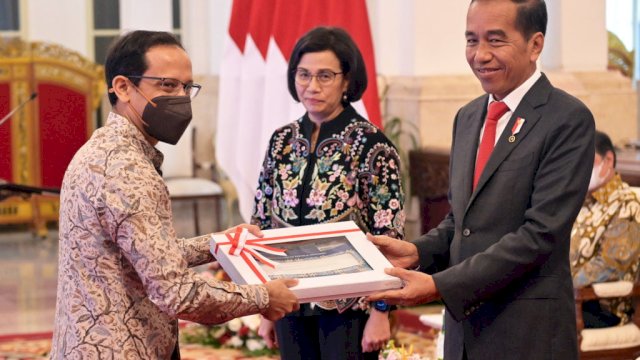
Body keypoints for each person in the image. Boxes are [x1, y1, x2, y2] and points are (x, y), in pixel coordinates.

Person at [50, 30, 299, 359]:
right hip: (122, 348)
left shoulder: (103, 149)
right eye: (167, 85)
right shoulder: (127, 170)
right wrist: (263, 298)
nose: (181, 97)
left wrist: (219, 244)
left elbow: (143, 254)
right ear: (123, 87)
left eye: (186, 87)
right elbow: (175, 292)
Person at [367, 1, 595, 359]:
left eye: (495, 41)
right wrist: (417, 251)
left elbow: (540, 235)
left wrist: (440, 285)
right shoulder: (469, 116)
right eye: (471, 40)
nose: (480, 55)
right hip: (464, 335)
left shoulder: (567, 120)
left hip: (528, 333)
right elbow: (462, 220)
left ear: (535, 45)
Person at [251, 26, 405, 359]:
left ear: (347, 81)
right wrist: (264, 305)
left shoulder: (372, 145)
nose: (312, 86)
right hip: (288, 300)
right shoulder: (281, 141)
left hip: (350, 306)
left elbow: (390, 233)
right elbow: (261, 223)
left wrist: (381, 311)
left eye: (325, 76)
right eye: (303, 75)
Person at [571, 130, 640, 328]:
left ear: (608, 160)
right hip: (567, 298)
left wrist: (556, 284)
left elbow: (611, 265)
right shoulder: (578, 203)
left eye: (586, 162)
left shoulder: (627, 204)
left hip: (600, 306)